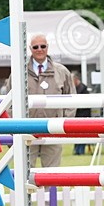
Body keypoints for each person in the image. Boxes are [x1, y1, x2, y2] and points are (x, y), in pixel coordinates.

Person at [25, 34, 75, 168]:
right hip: (27, 129)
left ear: (47, 47)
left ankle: (49, 191)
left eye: (43, 46)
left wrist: (64, 123)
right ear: (30, 48)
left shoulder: (62, 71)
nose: (39, 49)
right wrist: (15, 127)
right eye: (36, 47)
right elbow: (10, 103)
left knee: (51, 173)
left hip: (54, 129)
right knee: (26, 173)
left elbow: (72, 99)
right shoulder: (20, 72)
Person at [71, 73, 92, 156]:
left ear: (76, 80)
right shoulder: (77, 89)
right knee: (76, 134)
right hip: (78, 115)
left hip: (83, 115)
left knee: (83, 134)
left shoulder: (83, 90)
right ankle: (77, 150)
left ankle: (80, 150)